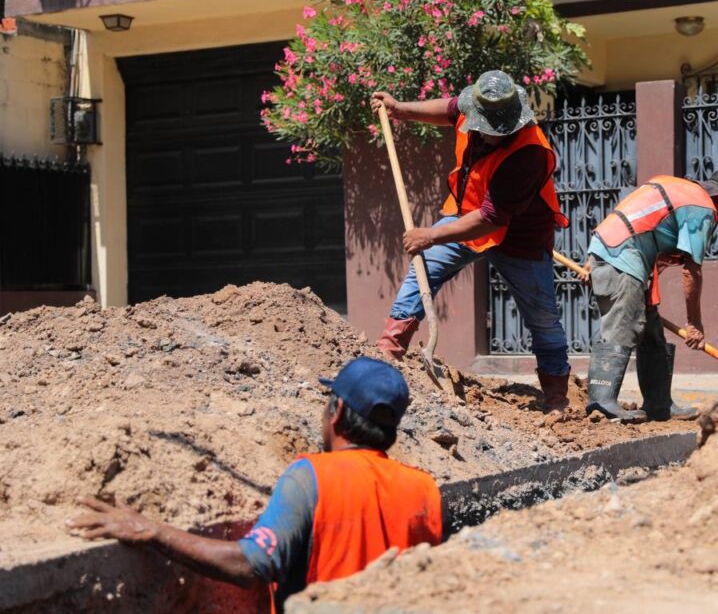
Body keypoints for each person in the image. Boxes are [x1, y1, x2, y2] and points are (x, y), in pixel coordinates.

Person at [66, 357, 442, 612]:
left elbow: (253, 563)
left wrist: (151, 531)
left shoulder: (310, 477)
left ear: (337, 411)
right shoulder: (425, 489)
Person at [370, 70, 572, 414]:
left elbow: (491, 219)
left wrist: (430, 234)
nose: (488, 135)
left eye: (497, 132)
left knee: (542, 317)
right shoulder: (472, 106)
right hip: (467, 216)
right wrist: (400, 109)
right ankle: (387, 353)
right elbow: (447, 109)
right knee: (424, 268)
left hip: (519, 237)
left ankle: (556, 399)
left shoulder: (531, 153)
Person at [582, 170, 718, 422]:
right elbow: (691, 271)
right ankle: (602, 401)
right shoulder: (701, 207)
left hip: (621, 252)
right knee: (623, 323)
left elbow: (626, 213)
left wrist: (593, 256)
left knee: (651, 331)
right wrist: (694, 324)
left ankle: (659, 404)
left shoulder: (681, 190)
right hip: (622, 257)